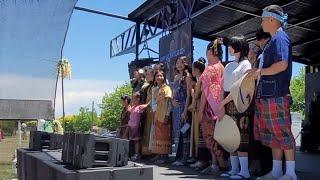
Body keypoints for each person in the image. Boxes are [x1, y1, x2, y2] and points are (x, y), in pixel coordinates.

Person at [247, 5, 297, 180]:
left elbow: (282, 64)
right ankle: (276, 172)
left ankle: (290, 174)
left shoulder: (280, 38)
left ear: (271, 19)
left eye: (262, 18)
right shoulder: (273, 40)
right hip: (268, 96)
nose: (261, 22)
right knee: (272, 135)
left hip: (276, 94)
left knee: (282, 133)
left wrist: (260, 72)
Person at [219, 35, 253, 179]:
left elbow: (240, 87)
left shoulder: (246, 64)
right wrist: (221, 104)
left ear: (238, 46)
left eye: (231, 44)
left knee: (241, 137)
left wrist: (222, 102)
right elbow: (223, 85)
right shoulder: (228, 64)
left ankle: (244, 171)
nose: (229, 47)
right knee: (230, 137)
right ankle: (234, 169)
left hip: (239, 103)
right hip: (227, 103)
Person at [198, 38, 227, 175]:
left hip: (210, 107)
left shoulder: (210, 69)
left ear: (210, 51)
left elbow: (205, 92)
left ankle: (217, 164)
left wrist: (199, 112)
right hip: (221, 105)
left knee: (210, 136)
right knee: (218, 135)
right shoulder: (222, 67)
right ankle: (219, 164)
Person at [189, 57, 211, 170]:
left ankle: (204, 160)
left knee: (203, 135)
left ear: (196, 70)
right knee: (201, 135)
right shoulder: (200, 79)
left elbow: (197, 95)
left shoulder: (201, 80)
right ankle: (201, 159)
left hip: (202, 110)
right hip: (199, 109)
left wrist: (192, 90)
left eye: (193, 69)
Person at [171, 56, 193, 166]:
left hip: (184, 107)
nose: (179, 64)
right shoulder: (175, 77)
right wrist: (172, 101)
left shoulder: (188, 76)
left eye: (181, 62)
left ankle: (184, 158)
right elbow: (173, 93)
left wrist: (185, 111)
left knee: (185, 132)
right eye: (177, 63)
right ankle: (178, 157)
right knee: (178, 132)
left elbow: (189, 95)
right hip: (176, 108)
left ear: (185, 64)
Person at [151, 70, 172, 164]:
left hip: (164, 114)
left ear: (164, 77)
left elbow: (169, 103)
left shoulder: (166, 88)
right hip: (157, 114)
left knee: (164, 135)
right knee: (158, 135)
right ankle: (159, 155)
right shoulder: (156, 90)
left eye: (160, 76)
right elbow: (154, 103)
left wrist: (167, 114)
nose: (159, 77)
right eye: (157, 76)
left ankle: (164, 156)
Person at [139, 66, 155, 156]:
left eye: (149, 74)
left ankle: (152, 152)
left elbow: (154, 98)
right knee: (147, 131)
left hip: (152, 110)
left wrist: (147, 105)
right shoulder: (148, 86)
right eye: (146, 74)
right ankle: (146, 152)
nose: (147, 76)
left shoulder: (154, 86)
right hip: (147, 111)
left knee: (151, 131)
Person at [126, 92, 144, 161]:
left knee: (136, 141)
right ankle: (130, 154)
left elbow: (140, 116)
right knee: (130, 141)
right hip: (130, 126)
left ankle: (137, 154)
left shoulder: (139, 107)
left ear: (138, 99)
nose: (132, 100)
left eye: (134, 98)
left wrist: (137, 126)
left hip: (136, 126)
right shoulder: (132, 107)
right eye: (132, 98)